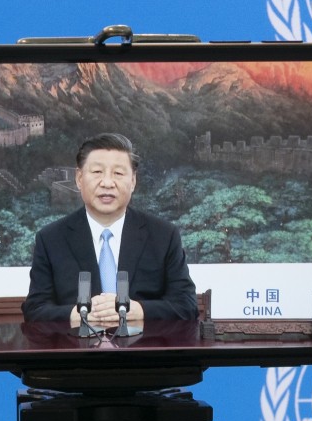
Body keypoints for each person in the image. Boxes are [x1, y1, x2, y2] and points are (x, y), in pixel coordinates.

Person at [22, 133, 198, 324]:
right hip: (77, 342)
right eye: (97, 172)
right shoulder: (51, 239)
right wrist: (76, 315)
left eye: (118, 173)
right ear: (79, 178)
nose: (107, 183)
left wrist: (139, 310)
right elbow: (35, 309)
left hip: (144, 342)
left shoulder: (163, 236)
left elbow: (186, 305)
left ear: (133, 181)